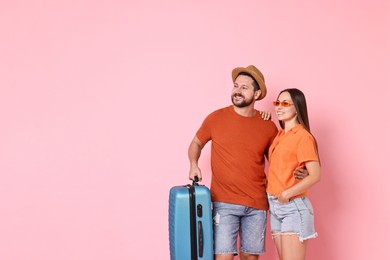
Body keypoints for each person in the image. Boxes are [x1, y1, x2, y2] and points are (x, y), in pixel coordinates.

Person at [188, 65, 307, 260]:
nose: (237, 91)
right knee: (223, 258)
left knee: (250, 258)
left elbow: (279, 161)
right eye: (236, 86)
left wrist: (300, 172)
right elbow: (195, 143)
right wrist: (194, 163)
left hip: (257, 205)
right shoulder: (216, 118)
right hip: (223, 203)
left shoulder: (267, 125)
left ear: (257, 93)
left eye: (244, 87)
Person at [266, 88, 321, 260]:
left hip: (292, 206)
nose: (279, 107)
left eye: (285, 103)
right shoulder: (280, 135)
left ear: (296, 108)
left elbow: (315, 175)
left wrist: (287, 194)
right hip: (275, 206)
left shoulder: (302, 136)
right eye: (277, 103)